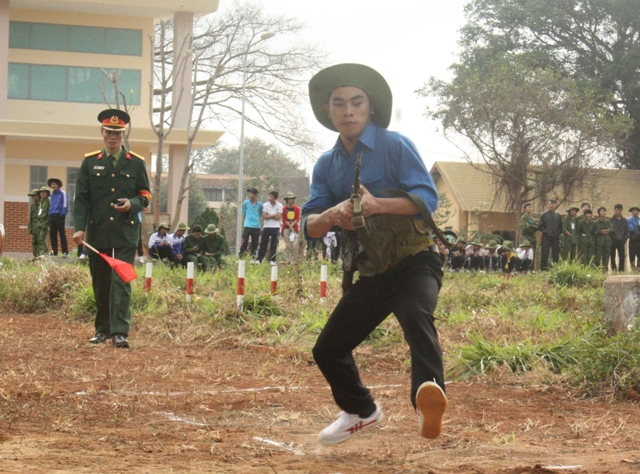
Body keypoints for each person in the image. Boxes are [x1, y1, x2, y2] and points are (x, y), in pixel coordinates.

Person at [302, 64, 447, 446]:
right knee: (328, 348)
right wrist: (331, 215)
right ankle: (361, 411)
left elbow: (427, 199)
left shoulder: (394, 145)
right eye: (339, 104)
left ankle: (429, 398)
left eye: (356, 102)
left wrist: (377, 204)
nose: (348, 111)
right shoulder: (326, 164)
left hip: (416, 261)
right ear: (328, 111)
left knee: (416, 317)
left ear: (369, 108)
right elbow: (309, 224)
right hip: (372, 271)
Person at [73, 108, 151, 349]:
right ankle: (102, 330)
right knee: (101, 282)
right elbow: (82, 199)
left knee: (121, 282)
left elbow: (146, 194)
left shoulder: (136, 163)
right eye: (109, 132)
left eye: (118, 133)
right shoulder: (89, 162)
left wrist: (132, 204)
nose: (113, 137)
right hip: (98, 233)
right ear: (102, 132)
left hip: (125, 233)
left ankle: (120, 332)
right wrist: (79, 228)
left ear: (123, 134)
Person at [257, 191, 283, 265]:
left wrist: (269, 215)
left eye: (271, 197)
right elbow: (264, 216)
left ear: (275, 198)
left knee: (274, 244)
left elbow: (279, 217)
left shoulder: (279, 205)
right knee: (263, 243)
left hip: (276, 227)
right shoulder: (265, 205)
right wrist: (274, 215)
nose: (269, 198)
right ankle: (259, 259)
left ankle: (272, 260)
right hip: (266, 227)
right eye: (269, 196)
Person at [538, 198, 563, 270]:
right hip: (546, 237)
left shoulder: (558, 215)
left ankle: (555, 269)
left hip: (555, 238)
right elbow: (540, 226)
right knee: (545, 253)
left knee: (555, 254)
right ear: (547, 205)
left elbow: (561, 226)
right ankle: (543, 269)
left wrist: (557, 233)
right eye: (549, 204)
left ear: (555, 205)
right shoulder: (544, 215)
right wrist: (546, 231)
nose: (551, 206)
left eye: (552, 204)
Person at [47, 177, 69, 256]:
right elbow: (50, 205)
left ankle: (65, 251)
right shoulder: (51, 195)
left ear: (58, 185)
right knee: (52, 235)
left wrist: (62, 214)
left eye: (55, 184)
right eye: (52, 184)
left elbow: (65, 204)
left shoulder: (62, 193)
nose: (53, 185)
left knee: (62, 234)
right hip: (52, 216)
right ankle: (54, 251)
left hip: (59, 216)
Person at [239, 187, 263, 259]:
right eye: (249, 193)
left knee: (255, 243)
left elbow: (260, 214)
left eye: (251, 193)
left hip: (256, 226)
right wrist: (245, 222)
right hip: (247, 225)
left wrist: (256, 221)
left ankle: (253, 257)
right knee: (245, 241)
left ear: (255, 195)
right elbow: (244, 213)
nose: (250, 195)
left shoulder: (260, 204)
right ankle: (241, 256)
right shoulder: (246, 203)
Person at [281, 192, 301, 263]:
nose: (290, 201)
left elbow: (297, 219)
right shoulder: (283, 209)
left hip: (294, 229)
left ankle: (295, 260)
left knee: (294, 244)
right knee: (288, 244)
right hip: (286, 229)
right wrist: (289, 226)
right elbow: (284, 219)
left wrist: (292, 226)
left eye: (292, 199)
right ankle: (288, 260)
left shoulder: (297, 209)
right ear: (286, 200)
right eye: (289, 199)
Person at [610, 204, 628, 272]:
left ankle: (621, 270)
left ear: (622, 211)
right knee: (612, 256)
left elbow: (626, 231)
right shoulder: (610, 220)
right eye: (617, 210)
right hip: (613, 241)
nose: (618, 212)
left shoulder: (624, 220)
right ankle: (613, 269)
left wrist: (624, 239)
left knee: (622, 256)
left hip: (621, 241)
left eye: (620, 210)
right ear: (614, 210)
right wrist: (611, 239)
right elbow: (609, 231)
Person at [594, 207, 612, 271]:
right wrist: (604, 231)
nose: (603, 212)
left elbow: (611, 230)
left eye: (604, 211)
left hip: (607, 241)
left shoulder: (608, 221)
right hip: (599, 242)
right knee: (598, 257)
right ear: (599, 213)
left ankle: (605, 270)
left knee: (606, 257)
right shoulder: (596, 222)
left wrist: (604, 231)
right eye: (602, 211)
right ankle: (597, 270)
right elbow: (598, 231)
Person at [36, 186, 51, 256]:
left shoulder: (48, 201)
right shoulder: (41, 201)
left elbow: (49, 212)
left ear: (47, 193)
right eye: (41, 192)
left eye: (44, 192)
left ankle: (45, 252)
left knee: (42, 237)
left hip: (45, 221)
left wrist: (47, 222)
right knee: (39, 238)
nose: (42, 194)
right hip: (39, 221)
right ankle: (41, 252)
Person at [27, 189, 40, 258]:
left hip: (40, 226)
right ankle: (35, 256)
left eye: (35, 196)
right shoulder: (32, 205)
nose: (34, 198)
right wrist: (30, 228)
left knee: (40, 242)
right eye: (33, 196)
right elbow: (31, 217)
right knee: (34, 242)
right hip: (34, 226)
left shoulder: (42, 204)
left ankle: (40, 256)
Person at [628, 205, 640, 270]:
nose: (635, 212)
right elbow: (631, 229)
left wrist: (636, 229)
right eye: (634, 210)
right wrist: (637, 228)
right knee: (632, 255)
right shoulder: (629, 220)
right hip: (633, 239)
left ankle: (639, 268)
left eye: (637, 210)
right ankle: (633, 268)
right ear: (632, 212)